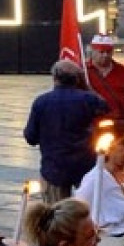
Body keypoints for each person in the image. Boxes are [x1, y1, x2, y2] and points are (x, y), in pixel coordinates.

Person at [24, 61, 109, 199]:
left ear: (54, 78)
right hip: (84, 167)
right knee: (86, 212)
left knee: (57, 214)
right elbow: (106, 108)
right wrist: (86, 86)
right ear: (77, 79)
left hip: (54, 168)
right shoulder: (88, 99)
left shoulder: (41, 102)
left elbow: (30, 137)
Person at [83, 36, 124, 119]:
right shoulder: (83, 71)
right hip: (92, 121)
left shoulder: (122, 71)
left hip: (119, 120)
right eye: (101, 52)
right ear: (93, 52)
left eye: (108, 52)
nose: (105, 55)